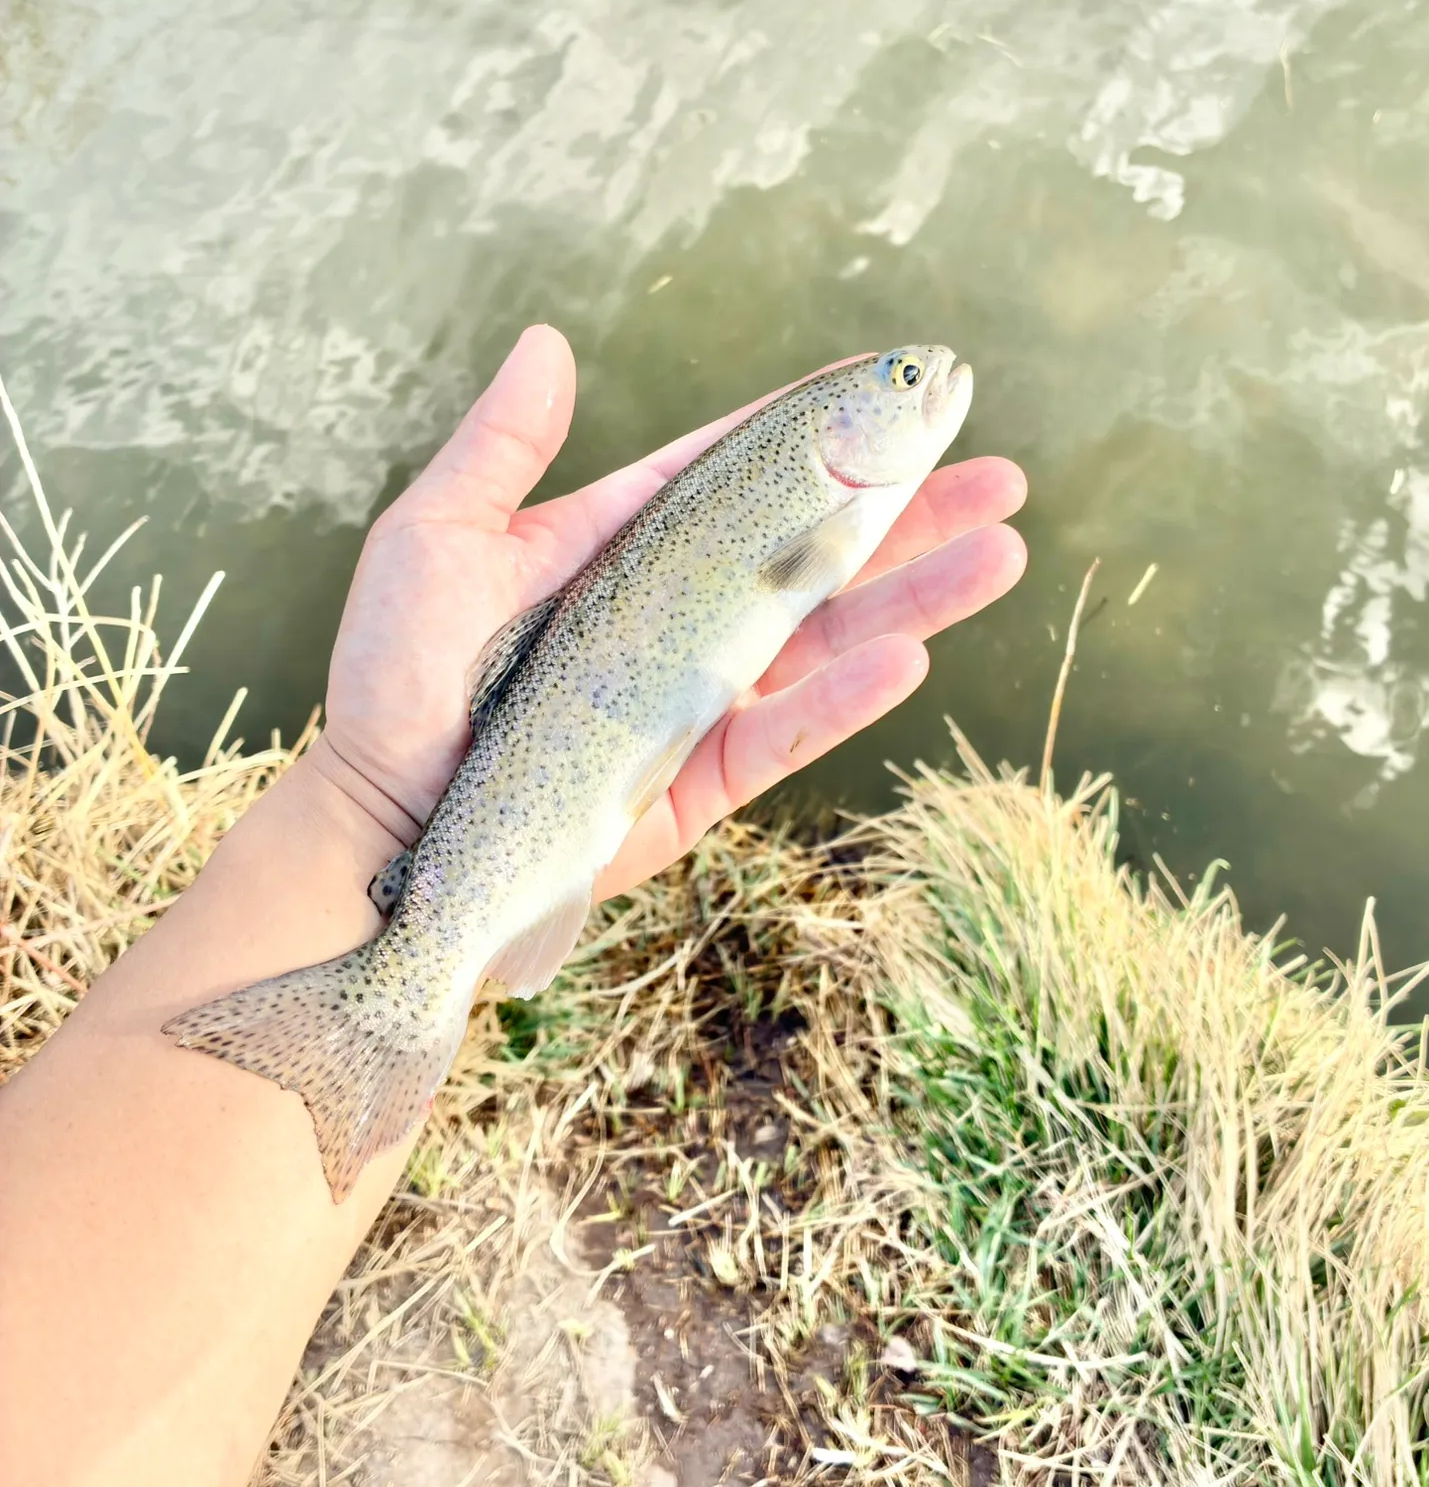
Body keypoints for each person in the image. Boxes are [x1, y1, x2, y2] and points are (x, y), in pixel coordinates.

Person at [0, 326, 1027, 1487]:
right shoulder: (814, 492)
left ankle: (371, 1034)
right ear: (830, 435)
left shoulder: (820, 489)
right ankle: (376, 1023)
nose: (925, 379)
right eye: (901, 379)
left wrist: (363, 806)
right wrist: (375, 807)